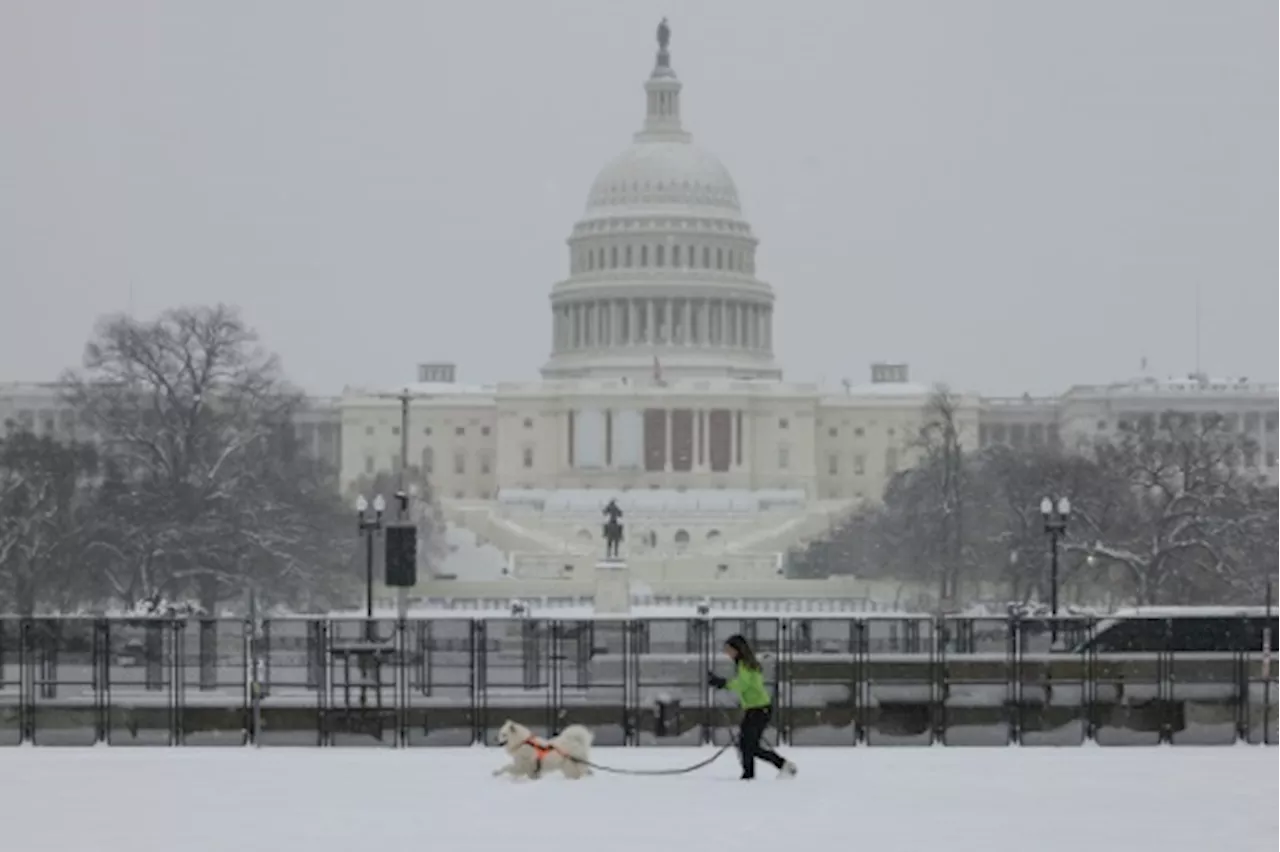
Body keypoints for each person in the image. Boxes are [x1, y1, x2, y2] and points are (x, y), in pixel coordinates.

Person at [707, 634, 798, 780]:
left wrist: (723, 683)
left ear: (737, 649)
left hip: (759, 709)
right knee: (747, 745)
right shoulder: (745, 664)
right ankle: (753, 773)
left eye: (729, 649)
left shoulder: (745, 665)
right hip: (756, 709)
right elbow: (744, 685)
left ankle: (765, 770)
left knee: (748, 745)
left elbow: (743, 685)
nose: (727, 653)